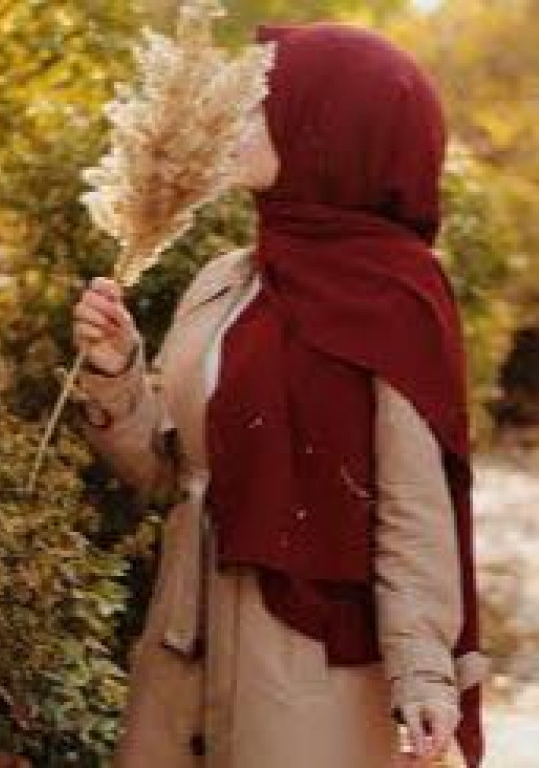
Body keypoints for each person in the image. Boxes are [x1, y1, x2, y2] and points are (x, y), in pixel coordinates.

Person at [72, 23, 490, 768]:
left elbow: (413, 508)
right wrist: (115, 371)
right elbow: (169, 474)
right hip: (181, 653)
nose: (237, 119)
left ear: (328, 129)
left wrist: (425, 673)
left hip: (310, 675)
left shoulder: (394, 297)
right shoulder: (228, 280)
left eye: (263, 104)